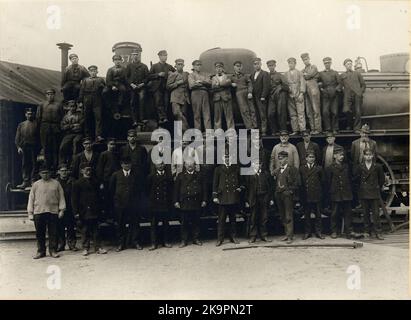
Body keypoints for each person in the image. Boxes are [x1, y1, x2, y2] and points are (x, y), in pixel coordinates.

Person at [27, 165, 65, 259]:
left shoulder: (56, 184)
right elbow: (31, 199)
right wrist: (30, 213)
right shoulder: (36, 185)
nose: (45, 174)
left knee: (53, 232)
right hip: (39, 212)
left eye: (47, 172)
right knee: (40, 233)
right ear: (40, 174)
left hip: (53, 211)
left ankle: (53, 250)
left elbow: (61, 197)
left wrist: (61, 210)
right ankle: (41, 251)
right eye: (43, 173)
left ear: (50, 173)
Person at [72, 163, 107, 256]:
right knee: (85, 230)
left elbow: (100, 197)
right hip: (84, 211)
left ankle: (98, 247)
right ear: (82, 171)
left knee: (96, 230)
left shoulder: (96, 182)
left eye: (90, 170)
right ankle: (85, 248)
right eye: (86, 170)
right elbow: (74, 200)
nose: (88, 172)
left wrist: (101, 209)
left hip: (95, 210)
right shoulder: (77, 183)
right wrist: (76, 212)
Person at [110, 156, 143, 251]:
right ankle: (121, 243)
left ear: (131, 164)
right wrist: (116, 202)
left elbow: (140, 190)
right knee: (120, 224)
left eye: (128, 163)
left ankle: (135, 242)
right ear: (121, 165)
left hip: (134, 205)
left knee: (135, 224)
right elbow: (111, 190)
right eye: (125, 164)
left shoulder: (136, 175)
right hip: (120, 205)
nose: (127, 165)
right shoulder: (116, 175)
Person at [173, 160, 207, 247]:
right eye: (188, 164)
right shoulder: (180, 176)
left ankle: (196, 238)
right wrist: (176, 201)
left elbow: (204, 189)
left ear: (195, 165)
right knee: (184, 222)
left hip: (196, 202)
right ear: (185, 165)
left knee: (196, 221)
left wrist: (204, 200)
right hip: (184, 202)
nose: (189, 166)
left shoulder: (200, 175)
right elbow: (176, 190)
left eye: (191, 164)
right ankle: (184, 240)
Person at [213, 153, 244, 246]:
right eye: (225, 157)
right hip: (222, 197)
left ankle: (233, 237)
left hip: (233, 197)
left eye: (229, 157)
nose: (227, 159)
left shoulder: (236, 168)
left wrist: (240, 188)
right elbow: (215, 184)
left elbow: (241, 181)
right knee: (221, 220)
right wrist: (215, 196)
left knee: (233, 219)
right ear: (222, 158)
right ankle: (220, 238)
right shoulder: (218, 169)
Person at [354, 148, 385, 240]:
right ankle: (367, 231)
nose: (368, 156)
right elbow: (356, 179)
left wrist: (376, 186)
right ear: (363, 156)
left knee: (376, 213)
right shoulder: (360, 167)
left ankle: (378, 232)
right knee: (365, 213)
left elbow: (381, 179)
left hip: (374, 192)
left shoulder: (378, 166)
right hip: (364, 192)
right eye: (366, 155)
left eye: (370, 155)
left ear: (372, 156)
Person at [325, 147, 355, 239]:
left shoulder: (347, 166)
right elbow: (328, 182)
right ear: (334, 156)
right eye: (340, 155)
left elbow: (351, 179)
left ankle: (348, 231)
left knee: (348, 213)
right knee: (334, 213)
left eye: (342, 155)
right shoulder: (330, 168)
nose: (342, 157)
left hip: (346, 194)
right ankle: (334, 231)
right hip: (336, 194)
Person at [273, 151, 300, 244]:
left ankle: (290, 236)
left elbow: (297, 183)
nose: (281, 161)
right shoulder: (276, 171)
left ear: (287, 159)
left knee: (288, 215)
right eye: (279, 159)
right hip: (278, 195)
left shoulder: (292, 170)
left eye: (283, 158)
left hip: (287, 196)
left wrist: (290, 191)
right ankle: (286, 234)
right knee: (282, 215)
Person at [244, 159, 274, 243]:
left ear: (261, 165)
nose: (257, 165)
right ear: (252, 165)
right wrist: (246, 200)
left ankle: (264, 235)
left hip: (264, 198)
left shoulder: (266, 174)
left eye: (258, 163)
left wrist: (271, 199)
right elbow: (247, 188)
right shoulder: (249, 175)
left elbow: (270, 187)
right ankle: (253, 236)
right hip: (253, 198)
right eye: (255, 163)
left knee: (264, 217)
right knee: (253, 218)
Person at [147, 160, 174, 250]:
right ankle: (154, 243)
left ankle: (166, 241)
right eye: (159, 164)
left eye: (162, 164)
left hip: (165, 204)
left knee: (166, 224)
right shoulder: (151, 177)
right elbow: (147, 191)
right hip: (155, 204)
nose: (161, 166)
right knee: (154, 225)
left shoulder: (168, 176)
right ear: (155, 166)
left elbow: (171, 191)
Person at [299, 150, 325, 239]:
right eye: (309, 157)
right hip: (306, 195)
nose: (311, 159)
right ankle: (307, 232)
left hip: (317, 195)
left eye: (313, 157)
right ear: (306, 158)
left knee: (318, 214)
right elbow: (301, 183)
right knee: (307, 215)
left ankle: (318, 232)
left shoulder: (319, 168)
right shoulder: (302, 168)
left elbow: (323, 182)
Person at [36, 88, 64, 171]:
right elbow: (38, 117)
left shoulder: (58, 105)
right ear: (46, 95)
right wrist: (40, 129)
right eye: (48, 94)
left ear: (54, 95)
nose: (50, 96)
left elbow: (62, 116)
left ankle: (55, 167)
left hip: (55, 127)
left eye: (52, 94)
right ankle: (46, 167)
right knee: (46, 148)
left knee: (55, 148)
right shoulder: (42, 105)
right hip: (45, 127)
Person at [148, 50, 176, 125]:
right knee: (158, 102)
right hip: (157, 88)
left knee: (166, 103)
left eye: (166, 55)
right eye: (163, 55)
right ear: (159, 56)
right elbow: (148, 76)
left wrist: (172, 74)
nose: (165, 57)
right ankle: (162, 118)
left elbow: (176, 74)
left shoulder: (169, 66)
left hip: (166, 87)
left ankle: (164, 118)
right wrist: (158, 74)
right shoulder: (154, 66)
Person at [78, 65, 105, 142]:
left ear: (97, 72)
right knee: (87, 118)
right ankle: (87, 136)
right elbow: (81, 91)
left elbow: (104, 91)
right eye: (91, 71)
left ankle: (98, 136)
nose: (93, 72)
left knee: (98, 118)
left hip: (97, 100)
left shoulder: (100, 80)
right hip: (87, 100)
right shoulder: (85, 80)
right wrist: (80, 101)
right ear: (89, 72)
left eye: (94, 71)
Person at [96, 138, 120, 221]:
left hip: (115, 180)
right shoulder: (103, 154)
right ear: (107, 145)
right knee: (107, 198)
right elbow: (100, 169)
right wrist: (101, 182)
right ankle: (107, 216)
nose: (112, 146)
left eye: (114, 144)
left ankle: (114, 216)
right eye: (111, 144)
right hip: (106, 180)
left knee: (115, 198)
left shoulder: (117, 154)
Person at [339, 58, 366, 132]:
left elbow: (363, 85)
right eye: (348, 64)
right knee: (347, 110)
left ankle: (357, 128)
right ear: (345, 65)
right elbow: (340, 86)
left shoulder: (357, 74)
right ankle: (349, 125)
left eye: (350, 64)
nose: (349, 65)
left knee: (358, 112)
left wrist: (360, 92)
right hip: (347, 96)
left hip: (357, 95)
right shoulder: (342, 75)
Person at [56, 163, 77, 252]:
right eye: (62, 171)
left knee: (71, 227)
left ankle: (72, 244)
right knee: (60, 227)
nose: (64, 173)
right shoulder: (56, 182)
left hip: (70, 207)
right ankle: (61, 244)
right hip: (60, 208)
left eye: (65, 171)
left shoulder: (73, 181)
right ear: (58, 172)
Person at [15, 108, 38, 189]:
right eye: (28, 114)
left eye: (31, 114)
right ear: (25, 114)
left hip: (34, 147)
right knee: (25, 164)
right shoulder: (21, 124)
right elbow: (17, 137)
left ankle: (33, 180)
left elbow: (39, 136)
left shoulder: (36, 124)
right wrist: (18, 147)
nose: (29, 115)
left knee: (34, 163)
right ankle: (25, 181)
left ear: (33, 114)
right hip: (24, 147)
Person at [126, 48, 149, 128]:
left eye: (136, 55)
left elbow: (147, 77)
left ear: (138, 56)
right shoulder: (129, 66)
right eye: (133, 55)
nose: (135, 56)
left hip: (141, 87)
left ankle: (142, 119)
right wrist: (131, 84)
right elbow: (126, 77)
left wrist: (142, 84)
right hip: (132, 87)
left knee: (142, 100)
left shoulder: (144, 66)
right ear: (131, 56)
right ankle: (135, 120)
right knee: (133, 102)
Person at [230, 61, 257, 130]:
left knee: (252, 109)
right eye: (237, 66)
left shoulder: (245, 76)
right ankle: (249, 127)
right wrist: (231, 84)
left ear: (241, 67)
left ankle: (255, 125)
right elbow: (227, 84)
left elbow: (250, 84)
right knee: (244, 110)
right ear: (234, 67)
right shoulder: (232, 77)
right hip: (239, 93)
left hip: (247, 92)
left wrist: (250, 92)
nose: (238, 68)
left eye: (239, 66)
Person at [188, 60, 212, 131]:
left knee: (207, 113)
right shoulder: (191, 75)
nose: (199, 66)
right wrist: (204, 84)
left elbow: (209, 82)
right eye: (197, 65)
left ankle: (208, 132)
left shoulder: (204, 74)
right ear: (193, 66)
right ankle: (198, 132)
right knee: (197, 114)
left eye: (200, 65)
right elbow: (191, 85)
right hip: (195, 94)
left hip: (204, 93)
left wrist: (200, 81)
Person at [166, 58, 190, 131]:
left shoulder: (186, 74)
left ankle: (180, 137)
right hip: (175, 97)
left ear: (183, 65)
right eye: (178, 64)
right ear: (175, 65)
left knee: (183, 115)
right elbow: (168, 86)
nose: (180, 66)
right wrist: (177, 83)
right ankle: (187, 131)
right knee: (177, 114)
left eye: (181, 64)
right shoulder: (173, 74)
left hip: (184, 97)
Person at [318, 57, 341, 134]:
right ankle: (328, 128)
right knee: (325, 112)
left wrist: (336, 90)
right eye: (325, 63)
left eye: (328, 63)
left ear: (330, 63)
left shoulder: (335, 73)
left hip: (334, 94)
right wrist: (321, 89)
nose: (327, 64)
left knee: (334, 112)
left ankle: (335, 128)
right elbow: (318, 82)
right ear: (324, 64)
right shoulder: (321, 73)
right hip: (325, 95)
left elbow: (340, 83)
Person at [301, 53, 322, 134]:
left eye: (306, 59)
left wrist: (306, 75)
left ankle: (318, 129)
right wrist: (305, 75)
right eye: (304, 60)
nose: (305, 61)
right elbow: (303, 76)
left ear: (309, 59)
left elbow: (309, 75)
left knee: (316, 110)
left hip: (313, 90)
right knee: (309, 111)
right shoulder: (302, 70)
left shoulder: (314, 67)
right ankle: (313, 129)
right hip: (306, 91)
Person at [266, 59, 289, 135]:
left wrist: (280, 87)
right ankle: (274, 131)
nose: (271, 67)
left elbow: (286, 86)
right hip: (271, 97)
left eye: (272, 65)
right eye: (269, 66)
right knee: (270, 114)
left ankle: (283, 130)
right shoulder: (266, 76)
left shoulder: (280, 75)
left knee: (281, 112)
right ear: (267, 67)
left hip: (280, 95)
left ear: (275, 66)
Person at [284, 57, 306, 135]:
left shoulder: (299, 73)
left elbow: (302, 83)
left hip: (298, 95)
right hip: (290, 96)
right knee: (292, 114)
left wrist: (301, 93)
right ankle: (295, 130)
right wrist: (289, 92)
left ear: (295, 63)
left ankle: (302, 130)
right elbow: (285, 84)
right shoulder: (286, 74)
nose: (290, 64)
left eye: (292, 63)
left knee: (301, 113)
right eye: (289, 63)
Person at [59, 100, 84, 166]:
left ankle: (74, 163)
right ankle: (62, 163)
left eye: (74, 106)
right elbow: (62, 127)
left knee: (76, 143)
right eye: (71, 106)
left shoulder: (80, 115)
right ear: (68, 107)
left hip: (78, 133)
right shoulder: (66, 116)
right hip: (69, 134)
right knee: (63, 146)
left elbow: (81, 125)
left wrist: (76, 126)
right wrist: (71, 126)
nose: (72, 108)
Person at [250, 58, 270, 136]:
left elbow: (266, 86)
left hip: (261, 97)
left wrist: (263, 96)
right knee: (256, 114)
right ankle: (259, 130)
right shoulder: (252, 75)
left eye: (258, 63)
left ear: (261, 64)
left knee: (263, 114)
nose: (256, 65)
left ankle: (264, 130)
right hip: (254, 98)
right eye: (255, 64)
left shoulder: (265, 74)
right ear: (253, 65)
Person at [211, 62, 234, 130]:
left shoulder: (227, 76)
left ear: (222, 68)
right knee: (217, 117)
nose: (218, 69)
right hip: (217, 98)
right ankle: (217, 131)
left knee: (229, 116)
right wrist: (223, 85)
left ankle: (231, 130)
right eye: (217, 68)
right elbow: (213, 86)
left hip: (226, 98)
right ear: (215, 69)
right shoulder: (213, 78)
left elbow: (228, 83)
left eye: (220, 67)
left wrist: (219, 84)